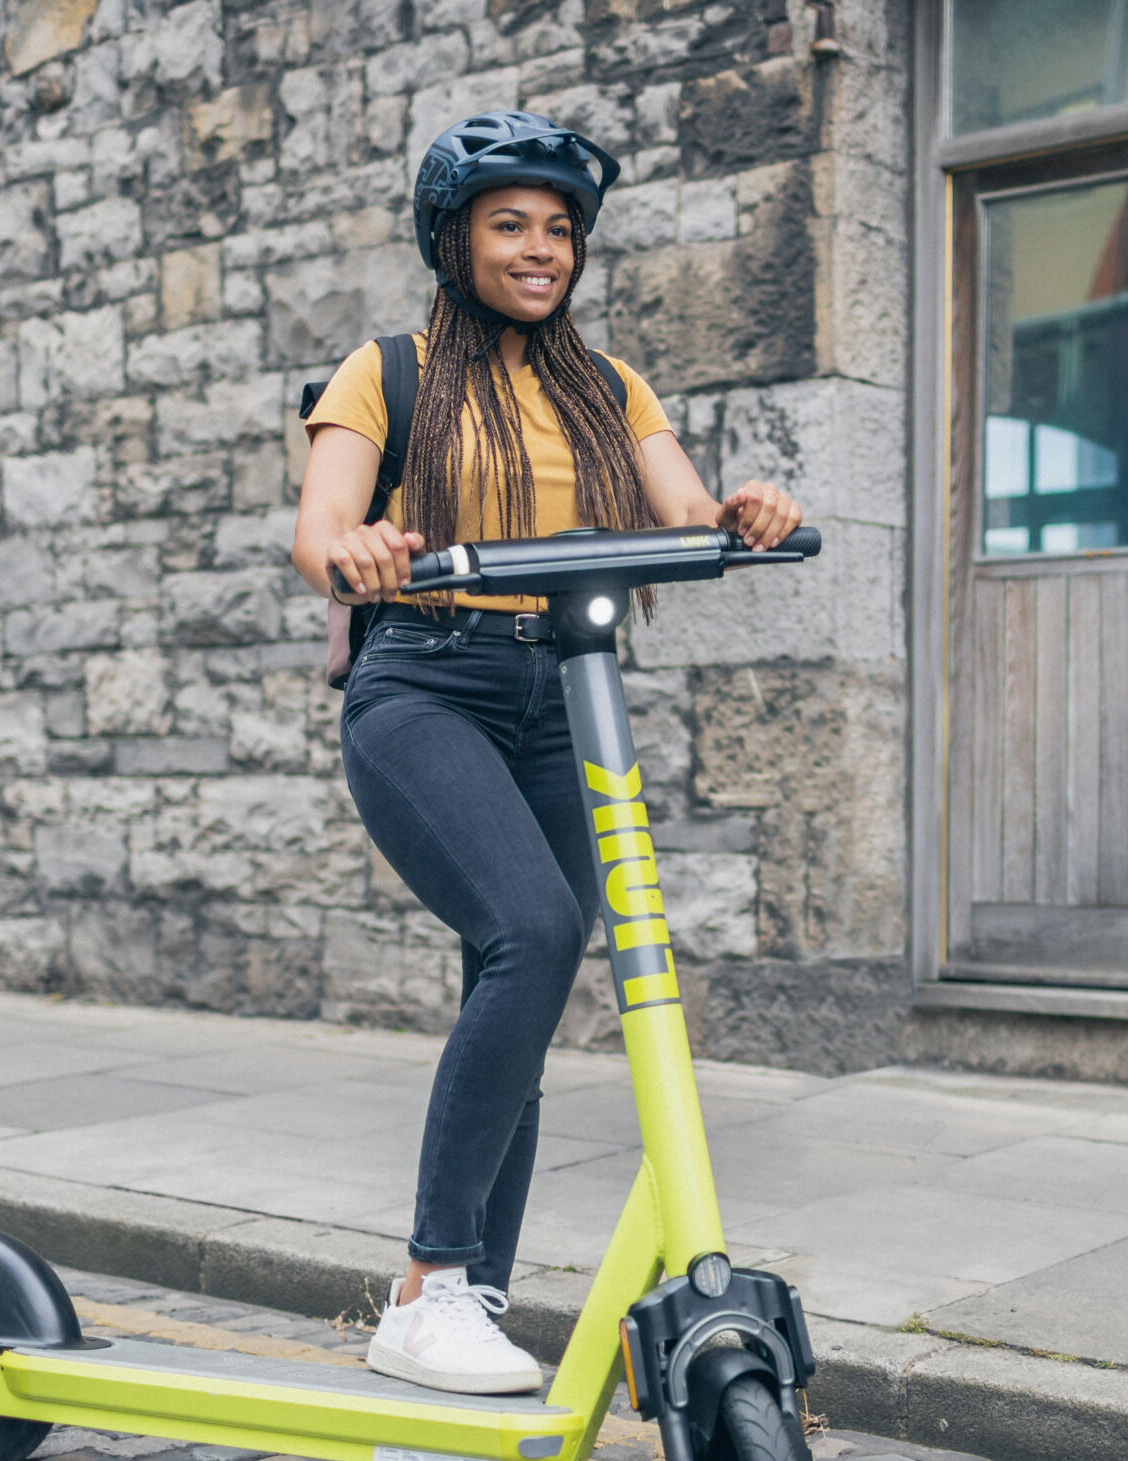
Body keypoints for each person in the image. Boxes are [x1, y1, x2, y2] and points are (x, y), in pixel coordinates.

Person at [290, 112, 802, 1395]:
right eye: (510, 223)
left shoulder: (610, 388)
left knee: (517, 969)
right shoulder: (388, 372)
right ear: (454, 237)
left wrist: (747, 512)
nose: (539, 249)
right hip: (424, 686)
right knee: (532, 929)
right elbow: (322, 529)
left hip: (562, 694)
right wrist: (355, 552)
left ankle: (472, 1294)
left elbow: (687, 513)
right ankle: (426, 1287)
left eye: (559, 228)